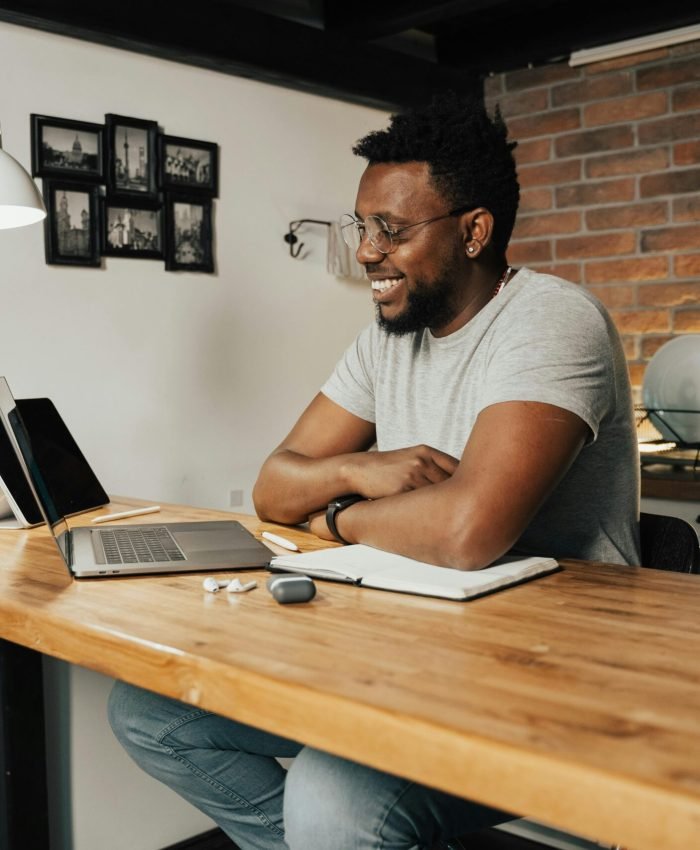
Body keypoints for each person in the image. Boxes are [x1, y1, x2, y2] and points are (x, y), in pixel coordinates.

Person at [108, 91, 640, 850]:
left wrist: (333, 516)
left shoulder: (550, 321)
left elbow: (465, 531)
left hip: (552, 668)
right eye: (364, 226)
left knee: (332, 799)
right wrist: (364, 468)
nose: (365, 251)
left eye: (390, 229)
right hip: (418, 645)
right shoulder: (388, 340)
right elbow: (273, 484)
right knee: (150, 713)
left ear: (475, 231)